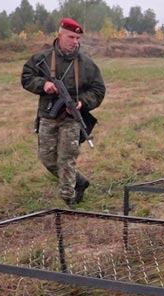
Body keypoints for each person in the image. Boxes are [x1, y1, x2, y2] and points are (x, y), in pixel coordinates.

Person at [21, 18, 106, 206]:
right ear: (59, 35)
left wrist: (82, 103)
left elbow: (99, 90)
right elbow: (27, 77)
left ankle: (69, 200)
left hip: (71, 119)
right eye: (71, 37)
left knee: (66, 159)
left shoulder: (87, 64)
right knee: (47, 159)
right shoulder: (42, 58)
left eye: (78, 38)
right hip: (48, 115)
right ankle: (80, 181)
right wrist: (44, 85)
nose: (75, 41)